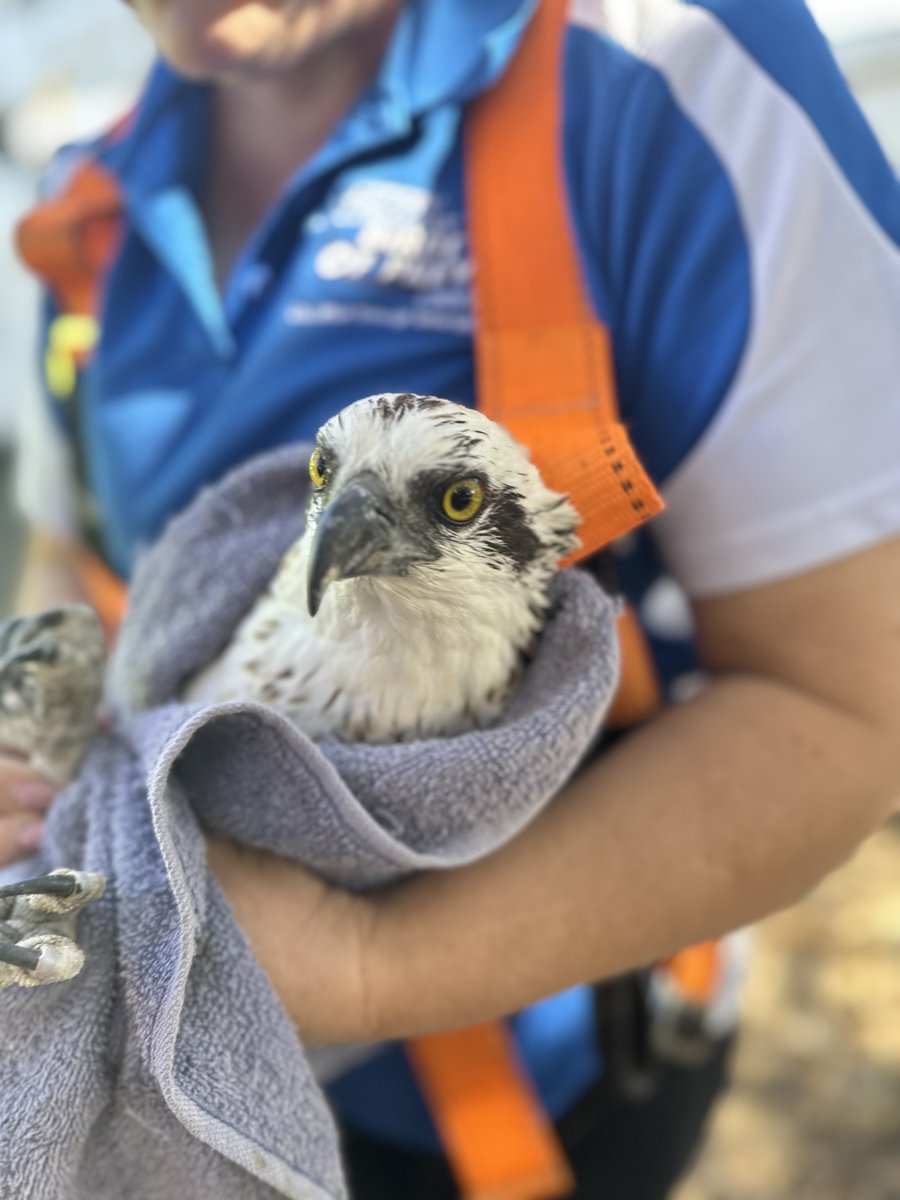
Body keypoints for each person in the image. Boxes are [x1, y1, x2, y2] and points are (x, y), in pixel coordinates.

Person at [5, 0, 900, 1195]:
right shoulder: (86, 193)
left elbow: (855, 705)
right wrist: (44, 758)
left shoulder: (670, 62)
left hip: (543, 1093)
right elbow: (73, 553)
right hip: (159, 1095)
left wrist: (370, 968)